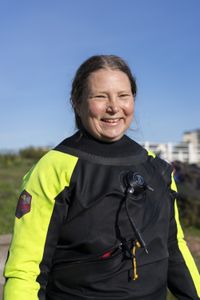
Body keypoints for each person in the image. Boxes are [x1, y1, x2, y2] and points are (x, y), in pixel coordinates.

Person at [3, 55, 200, 300]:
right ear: (77, 102)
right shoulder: (54, 168)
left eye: (123, 95)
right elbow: (25, 269)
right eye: (100, 96)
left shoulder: (157, 168)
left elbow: (174, 246)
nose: (114, 107)